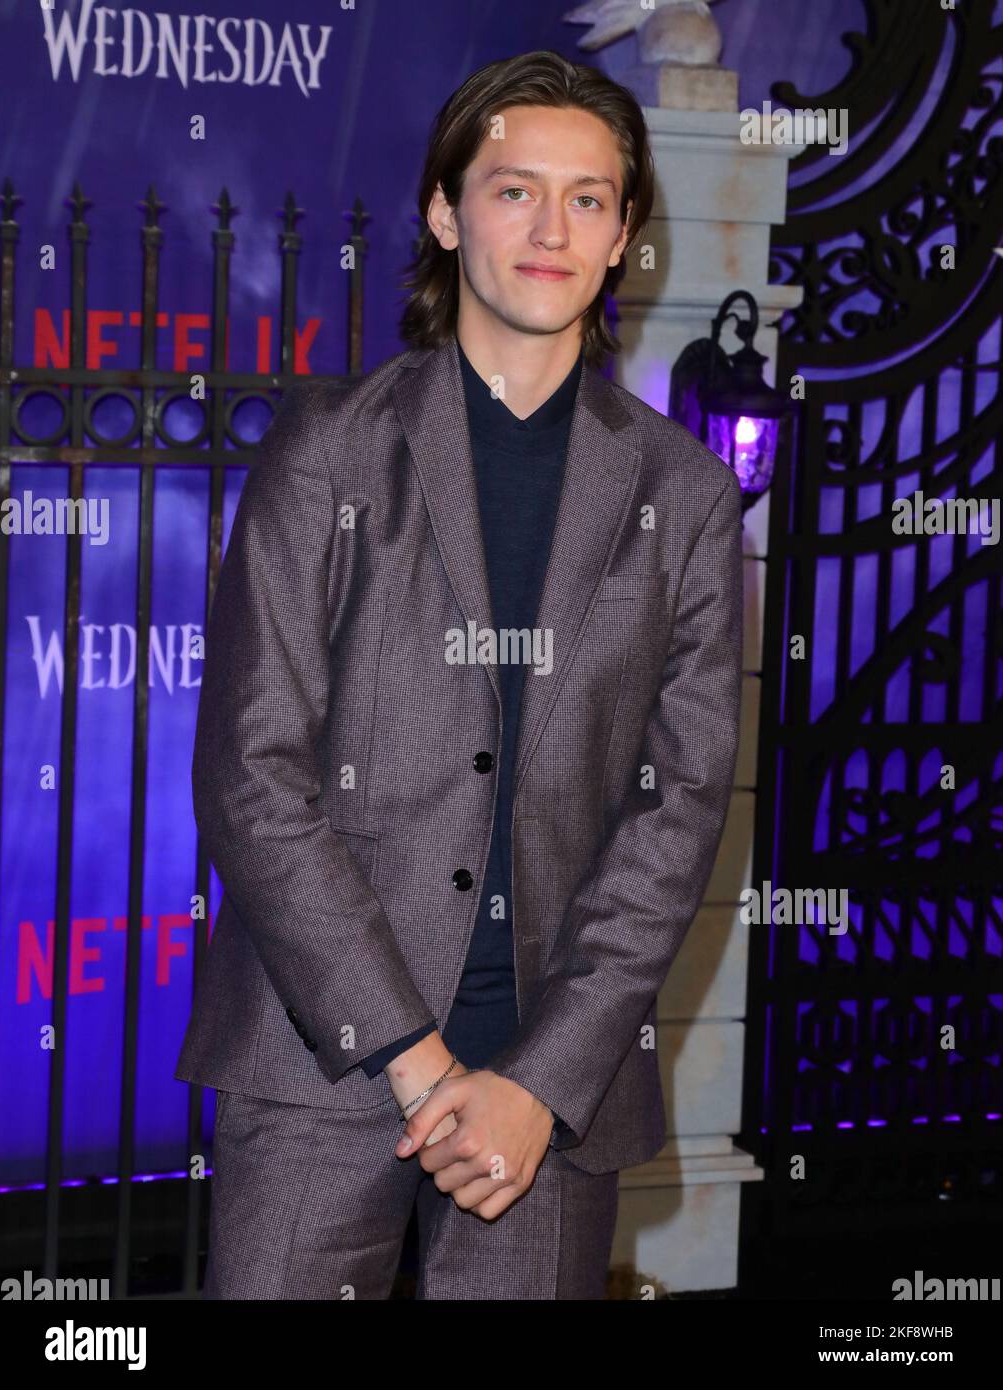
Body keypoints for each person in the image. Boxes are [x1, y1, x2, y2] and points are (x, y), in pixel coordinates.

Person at [175, 48, 743, 1300]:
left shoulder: (686, 496)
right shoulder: (327, 454)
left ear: (622, 236)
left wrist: (540, 1080)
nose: (551, 227)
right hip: (319, 1060)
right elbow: (251, 774)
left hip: (552, 1093)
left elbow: (681, 807)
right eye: (513, 189)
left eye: (588, 198)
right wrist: (416, 1059)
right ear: (446, 210)